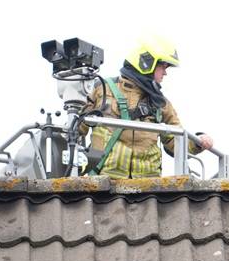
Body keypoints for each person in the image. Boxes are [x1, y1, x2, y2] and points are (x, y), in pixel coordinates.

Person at [83, 35, 214, 180]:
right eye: (163, 66)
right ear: (147, 63)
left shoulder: (161, 103)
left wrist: (199, 142)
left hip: (147, 190)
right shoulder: (101, 89)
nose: (165, 72)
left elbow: (175, 143)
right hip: (104, 184)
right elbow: (76, 128)